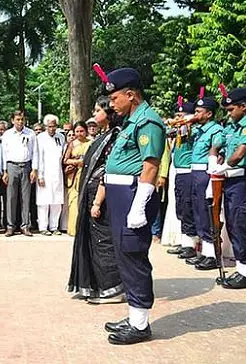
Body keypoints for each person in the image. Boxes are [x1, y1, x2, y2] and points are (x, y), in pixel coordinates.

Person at [99, 67, 165, 344]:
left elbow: (150, 166)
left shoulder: (147, 121)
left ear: (130, 95)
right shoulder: (131, 120)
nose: (111, 104)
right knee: (124, 256)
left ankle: (140, 325)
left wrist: (139, 207)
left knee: (133, 256)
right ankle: (134, 315)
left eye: (115, 98)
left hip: (132, 195)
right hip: (120, 195)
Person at [68, 96, 125, 304]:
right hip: (92, 193)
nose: (93, 115)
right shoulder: (105, 135)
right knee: (92, 240)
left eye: (97, 110)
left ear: (108, 113)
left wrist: (97, 202)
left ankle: (112, 288)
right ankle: (94, 285)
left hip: (103, 196)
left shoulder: (115, 137)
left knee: (103, 241)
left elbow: (109, 171)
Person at [209, 87, 246, 289]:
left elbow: (239, 154)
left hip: (245, 182)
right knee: (233, 224)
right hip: (231, 181)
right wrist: (214, 160)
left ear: (243, 107)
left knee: (243, 223)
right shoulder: (233, 126)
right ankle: (242, 268)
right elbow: (219, 146)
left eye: (231, 110)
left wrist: (223, 166)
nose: (228, 114)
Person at [188, 95, 223, 270]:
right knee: (198, 210)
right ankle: (204, 251)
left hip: (205, 172)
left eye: (198, 111)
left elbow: (217, 152)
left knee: (205, 210)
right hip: (195, 172)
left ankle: (212, 253)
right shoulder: (199, 130)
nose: (195, 114)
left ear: (209, 114)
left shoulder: (215, 130)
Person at [165, 100, 199, 261]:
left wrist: (187, 121)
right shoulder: (179, 131)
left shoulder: (191, 129)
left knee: (187, 207)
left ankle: (192, 243)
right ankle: (185, 241)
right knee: (180, 207)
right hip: (179, 172)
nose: (177, 119)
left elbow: (188, 129)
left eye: (181, 115)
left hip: (188, 172)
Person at [1, 110, 38, 237]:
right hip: (12, 166)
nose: (20, 122)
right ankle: (10, 226)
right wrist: (4, 171)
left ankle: (25, 225)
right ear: (12, 120)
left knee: (25, 197)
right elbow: (4, 154)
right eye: (17, 119)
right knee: (11, 197)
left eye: (22, 119)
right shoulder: (7, 134)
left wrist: (34, 169)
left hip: (26, 165)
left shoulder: (31, 134)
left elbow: (35, 152)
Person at [36, 114, 66, 235]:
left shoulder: (61, 137)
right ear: (45, 126)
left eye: (54, 126)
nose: (52, 129)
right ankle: (43, 227)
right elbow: (39, 158)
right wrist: (40, 175)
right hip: (45, 173)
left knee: (57, 201)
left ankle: (54, 226)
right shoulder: (40, 138)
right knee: (44, 201)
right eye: (49, 126)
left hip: (57, 173)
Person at [63, 121, 92, 236]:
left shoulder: (91, 143)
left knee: (85, 200)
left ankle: (85, 229)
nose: (79, 134)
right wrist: (77, 162)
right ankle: (74, 229)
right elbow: (65, 160)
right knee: (74, 201)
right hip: (74, 175)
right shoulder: (72, 144)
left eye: (81, 131)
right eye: (77, 131)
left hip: (86, 174)